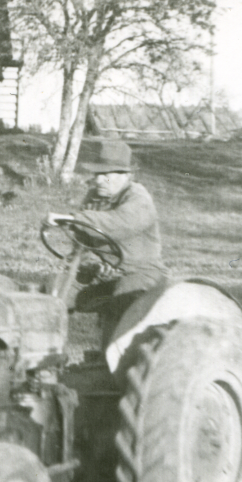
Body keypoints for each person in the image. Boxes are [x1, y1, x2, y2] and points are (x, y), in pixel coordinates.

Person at [43, 140, 168, 347]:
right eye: (97, 174)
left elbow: (119, 224)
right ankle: (47, 352)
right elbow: (82, 243)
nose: (99, 180)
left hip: (141, 272)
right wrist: (91, 262)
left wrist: (76, 219)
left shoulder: (138, 198)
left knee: (123, 299)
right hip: (102, 273)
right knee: (55, 288)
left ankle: (111, 364)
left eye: (105, 175)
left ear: (125, 175)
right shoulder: (95, 197)